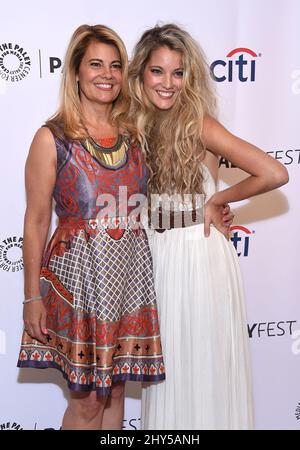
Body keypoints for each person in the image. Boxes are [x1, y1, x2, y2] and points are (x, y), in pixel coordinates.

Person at [128, 23, 289, 430]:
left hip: (198, 254)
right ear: (141, 74)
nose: (168, 83)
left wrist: (218, 200)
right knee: (167, 370)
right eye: (158, 71)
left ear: (190, 77)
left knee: (200, 363)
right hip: (156, 256)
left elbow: (273, 173)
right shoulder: (132, 126)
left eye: (178, 72)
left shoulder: (198, 123)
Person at [17, 24, 166, 430]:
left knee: (116, 391)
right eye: (96, 64)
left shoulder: (137, 135)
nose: (107, 74)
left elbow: (162, 199)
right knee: (85, 403)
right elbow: (35, 222)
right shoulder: (53, 138)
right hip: (77, 282)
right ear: (76, 73)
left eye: (116, 65)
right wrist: (32, 298)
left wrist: (208, 210)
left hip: (129, 281)